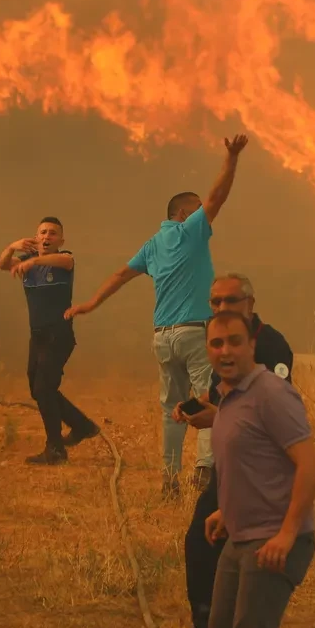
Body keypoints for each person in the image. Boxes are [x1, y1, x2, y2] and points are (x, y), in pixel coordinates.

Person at [66, 134, 249, 498]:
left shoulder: (152, 244)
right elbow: (217, 197)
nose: (203, 215)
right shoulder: (190, 232)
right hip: (195, 334)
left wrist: (90, 304)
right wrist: (231, 158)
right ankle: (203, 469)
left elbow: (120, 274)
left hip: (162, 337)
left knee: (172, 409)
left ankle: (169, 480)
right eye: (195, 210)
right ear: (182, 214)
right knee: (209, 399)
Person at [161, 273, 294, 628]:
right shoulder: (226, 345)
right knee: (227, 547)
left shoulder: (271, 346)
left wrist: (215, 419)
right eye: (215, 302)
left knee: (211, 543)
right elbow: (224, 394)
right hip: (233, 464)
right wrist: (192, 405)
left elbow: (273, 417)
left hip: (260, 468)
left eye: (230, 301)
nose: (220, 309)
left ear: (250, 303)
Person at [202, 310, 315, 628]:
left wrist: (287, 535)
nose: (225, 351)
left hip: (273, 540)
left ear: (253, 344)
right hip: (240, 535)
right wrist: (224, 510)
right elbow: (252, 461)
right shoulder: (229, 395)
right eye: (217, 344)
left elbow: (308, 465)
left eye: (234, 341)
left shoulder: (271, 393)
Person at [0, 217, 100, 465]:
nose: (46, 237)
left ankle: (55, 448)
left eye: (52, 233)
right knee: (38, 389)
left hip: (58, 334)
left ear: (60, 240)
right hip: (38, 335)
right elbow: (2, 264)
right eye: (42, 232)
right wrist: (13, 246)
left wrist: (34, 260)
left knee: (44, 388)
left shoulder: (63, 258)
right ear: (35, 237)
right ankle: (82, 425)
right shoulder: (25, 261)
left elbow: (66, 261)